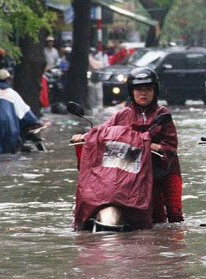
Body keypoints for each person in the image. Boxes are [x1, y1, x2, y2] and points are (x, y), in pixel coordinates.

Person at [71, 67, 183, 224]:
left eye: (148, 89)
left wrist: (158, 147)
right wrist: (84, 137)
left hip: (161, 170)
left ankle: (170, 243)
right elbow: (102, 131)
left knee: (172, 213)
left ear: (154, 91)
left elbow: (171, 144)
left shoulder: (162, 114)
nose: (143, 94)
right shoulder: (122, 115)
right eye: (139, 89)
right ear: (132, 92)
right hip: (133, 172)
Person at [0, 69, 42, 154]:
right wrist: (36, 122)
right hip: (11, 127)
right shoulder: (13, 94)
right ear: (8, 80)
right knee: (8, 153)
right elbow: (27, 114)